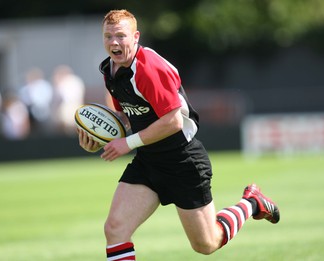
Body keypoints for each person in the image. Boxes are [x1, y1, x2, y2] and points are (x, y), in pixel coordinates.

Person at [78, 9, 280, 260]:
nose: (114, 42)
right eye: (108, 36)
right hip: (149, 160)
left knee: (207, 244)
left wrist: (127, 143)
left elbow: (173, 121)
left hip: (183, 161)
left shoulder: (149, 68)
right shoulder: (110, 70)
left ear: (136, 37)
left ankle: (252, 203)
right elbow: (127, 117)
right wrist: (98, 137)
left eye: (121, 35)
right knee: (115, 229)